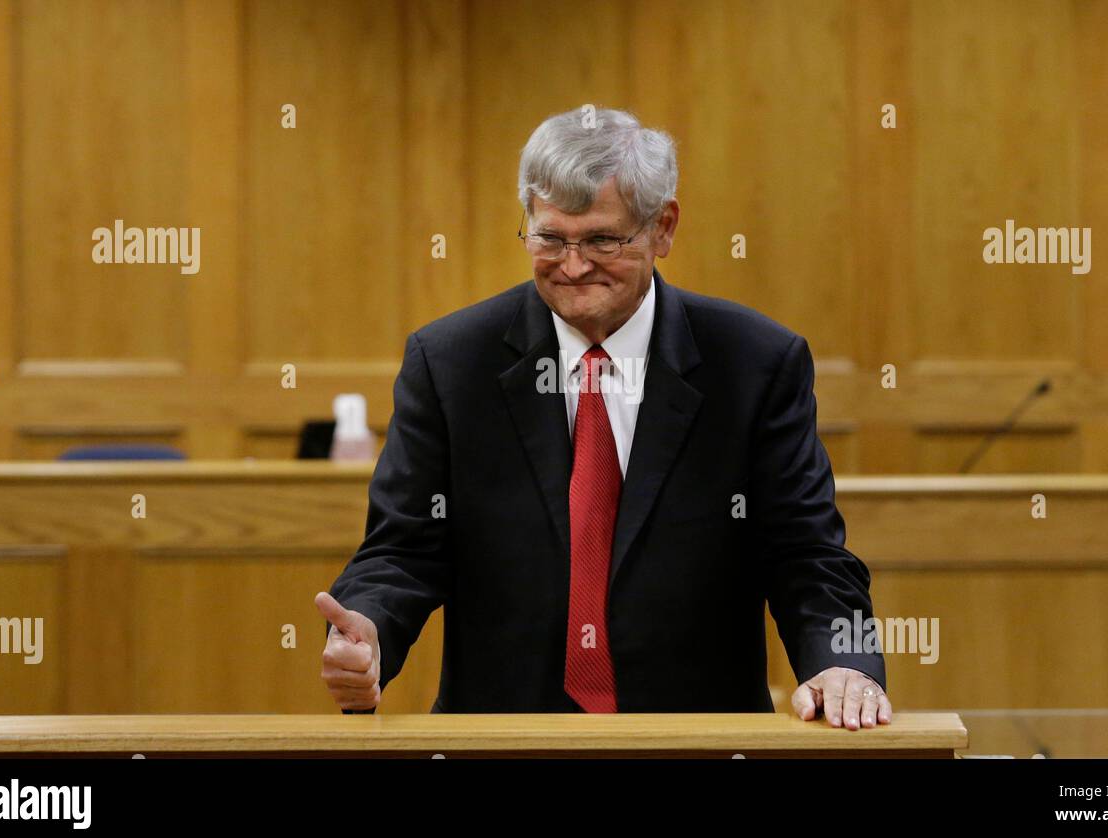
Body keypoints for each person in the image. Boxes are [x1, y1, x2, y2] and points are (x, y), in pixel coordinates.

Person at [317, 106, 891, 730]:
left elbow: (806, 553)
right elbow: (402, 548)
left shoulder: (754, 363)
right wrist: (369, 626)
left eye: (601, 241)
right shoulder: (452, 363)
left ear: (663, 227)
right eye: (550, 238)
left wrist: (844, 661)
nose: (572, 266)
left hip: (698, 738)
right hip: (502, 738)